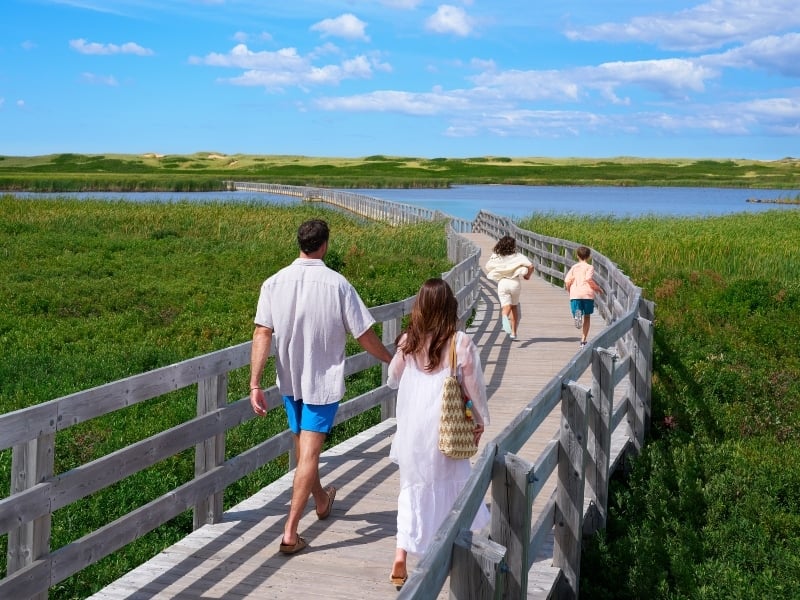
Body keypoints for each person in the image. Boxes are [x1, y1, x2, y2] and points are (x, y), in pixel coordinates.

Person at [249, 218, 393, 556]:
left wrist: (255, 384)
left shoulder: (274, 283)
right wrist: (390, 357)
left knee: (304, 450)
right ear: (325, 245)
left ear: (299, 243)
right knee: (310, 453)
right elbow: (363, 333)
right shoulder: (337, 284)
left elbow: (261, 334)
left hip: (289, 380)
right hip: (320, 382)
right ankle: (290, 532)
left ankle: (322, 500)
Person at [386, 278, 490, 589]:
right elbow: (473, 388)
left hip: (413, 426)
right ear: (449, 306)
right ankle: (450, 545)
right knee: (452, 483)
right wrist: (479, 420)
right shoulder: (460, 343)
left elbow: (393, 377)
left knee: (412, 486)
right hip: (446, 425)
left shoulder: (409, 341)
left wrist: (408, 358)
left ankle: (400, 555)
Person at [484, 235, 534, 340]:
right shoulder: (518, 256)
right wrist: (527, 275)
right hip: (514, 283)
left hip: (502, 283)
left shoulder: (496, 256)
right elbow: (531, 266)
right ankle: (513, 333)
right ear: (513, 245)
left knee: (506, 306)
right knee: (514, 306)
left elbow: (487, 267)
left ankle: (504, 316)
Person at [564, 245, 604, 347]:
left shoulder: (574, 267)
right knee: (587, 316)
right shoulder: (590, 267)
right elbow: (588, 279)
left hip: (575, 294)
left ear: (577, 256)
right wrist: (597, 288)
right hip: (587, 294)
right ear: (589, 256)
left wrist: (569, 290)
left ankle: (577, 316)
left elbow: (567, 280)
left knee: (577, 311)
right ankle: (583, 340)